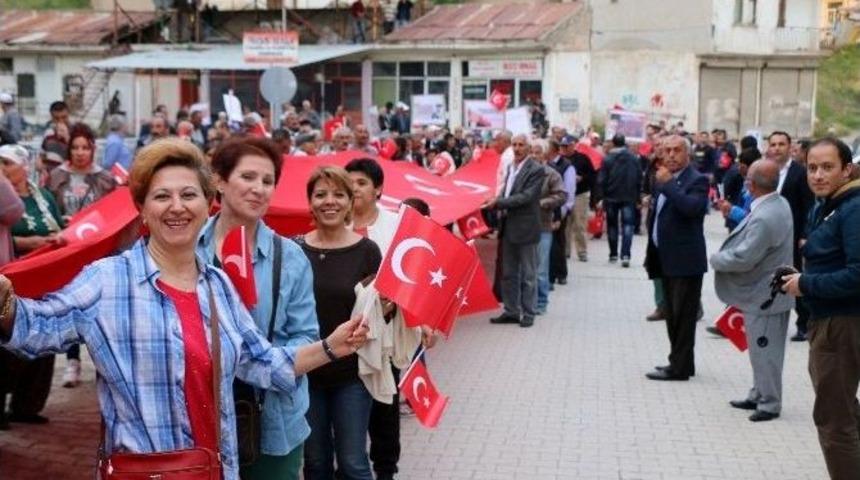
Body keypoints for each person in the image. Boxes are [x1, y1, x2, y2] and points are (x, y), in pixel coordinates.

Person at [0, 138, 367, 480]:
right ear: (142, 208)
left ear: (207, 203)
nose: (177, 206)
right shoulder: (108, 280)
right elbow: (36, 328)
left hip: (214, 468)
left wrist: (331, 346)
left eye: (188, 195)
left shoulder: (217, 285)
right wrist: (6, 306)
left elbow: (260, 362)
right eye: (162, 196)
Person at [198, 138, 320, 479]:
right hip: (198, 417)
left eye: (267, 181)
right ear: (219, 181)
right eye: (248, 177)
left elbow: (306, 333)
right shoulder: (188, 249)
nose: (259, 189)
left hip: (272, 419)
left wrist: (261, 360)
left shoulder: (290, 257)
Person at [780, 138, 860, 479]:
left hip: (842, 323)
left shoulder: (852, 208)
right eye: (812, 167)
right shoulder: (826, 205)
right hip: (828, 319)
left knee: (834, 420)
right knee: (844, 414)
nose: (818, 175)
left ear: (847, 169)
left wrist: (806, 284)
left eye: (828, 167)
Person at [297, 166, 381, 480]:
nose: (328, 201)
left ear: (349, 202)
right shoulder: (294, 250)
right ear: (310, 202)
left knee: (353, 463)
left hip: (352, 375)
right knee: (315, 463)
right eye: (320, 195)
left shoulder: (368, 251)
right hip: (306, 373)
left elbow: (379, 311)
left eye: (338, 194)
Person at [710, 159, 794, 422]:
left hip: (764, 295)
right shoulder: (778, 203)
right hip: (767, 293)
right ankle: (758, 393)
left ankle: (769, 403)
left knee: (766, 351)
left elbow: (745, 257)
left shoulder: (766, 216)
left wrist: (716, 259)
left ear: (751, 184)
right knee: (761, 350)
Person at [0, 144, 63, 430]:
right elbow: (7, 233)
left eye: (7, 163)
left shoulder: (45, 197)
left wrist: (57, 239)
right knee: (6, 342)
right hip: (12, 274)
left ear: (24, 166)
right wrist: (31, 244)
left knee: (42, 338)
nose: (2, 168)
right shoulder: (5, 197)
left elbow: (60, 227)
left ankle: (27, 405)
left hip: (43, 278)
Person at [644, 135, 709, 381]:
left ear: (687, 154)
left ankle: (679, 369)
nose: (670, 155)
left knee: (683, 317)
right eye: (667, 150)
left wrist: (670, 185)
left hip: (685, 260)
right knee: (672, 314)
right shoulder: (662, 178)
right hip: (664, 258)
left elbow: (693, 208)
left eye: (676, 150)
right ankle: (681, 362)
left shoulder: (697, 179)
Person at [486, 134, 546, 328]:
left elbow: (526, 197)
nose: (517, 148)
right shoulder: (510, 166)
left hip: (526, 228)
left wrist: (498, 203)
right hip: (508, 227)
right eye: (515, 145)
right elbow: (504, 190)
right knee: (508, 273)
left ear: (529, 148)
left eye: (521, 145)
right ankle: (511, 311)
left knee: (528, 275)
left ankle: (528, 313)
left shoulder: (536, 169)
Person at [767, 131, 814, 342]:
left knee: (793, 277)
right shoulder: (766, 170)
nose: (777, 148)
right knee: (766, 279)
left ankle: (804, 324)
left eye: (781, 144)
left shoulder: (799, 173)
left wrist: (805, 234)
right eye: (773, 144)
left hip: (792, 237)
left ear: (790, 147)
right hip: (768, 236)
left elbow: (809, 207)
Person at [598, 134, 642, 267]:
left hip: (611, 196)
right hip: (629, 196)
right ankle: (626, 255)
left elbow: (601, 180)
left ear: (613, 143)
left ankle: (613, 254)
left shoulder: (607, 159)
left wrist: (600, 197)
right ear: (625, 143)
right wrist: (638, 196)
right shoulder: (634, 158)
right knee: (628, 225)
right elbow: (639, 178)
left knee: (612, 225)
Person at [533, 140, 567, 315]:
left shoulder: (551, 174)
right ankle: (528, 301)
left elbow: (562, 196)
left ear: (545, 155)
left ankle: (541, 302)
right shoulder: (522, 172)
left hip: (543, 226)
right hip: (524, 227)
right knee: (527, 268)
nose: (534, 155)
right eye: (532, 151)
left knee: (541, 268)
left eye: (538, 152)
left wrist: (543, 203)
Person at [562, 135, 596, 262]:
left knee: (579, 224)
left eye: (566, 146)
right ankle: (565, 251)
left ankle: (582, 251)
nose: (564, 148)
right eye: (562, 146)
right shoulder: (561, 160)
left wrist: (581, 178)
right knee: (565, 224)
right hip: (564, 194)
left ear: (573, 145)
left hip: (580, 194)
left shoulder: (583, 158)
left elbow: (593, 176)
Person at [546, 140, 574, 284]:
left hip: (560, 208)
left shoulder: (566, 166)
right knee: (551, 243)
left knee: (558, 242)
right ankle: (552, 273)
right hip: (549, 209)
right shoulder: (547, 165)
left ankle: (561, 273)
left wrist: (564, 210)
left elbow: (569, 190)